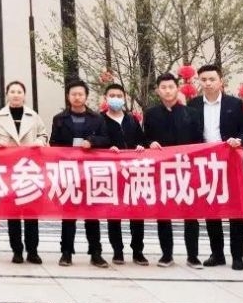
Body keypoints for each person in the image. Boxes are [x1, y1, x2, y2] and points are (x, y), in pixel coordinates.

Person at [187, 64, 243, 270]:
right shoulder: (193, 105)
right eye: (203, 80)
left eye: (212, 79)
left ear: (220, 81)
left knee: (235, 209)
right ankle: (217, 253)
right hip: (205, 163)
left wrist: (238, 140)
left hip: (230, 162)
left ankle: (237, 256)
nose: (208, 83)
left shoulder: (235, 104)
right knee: (211, 209)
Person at [144, 72, 205, 269]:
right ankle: (166, 254)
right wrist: (150, 143)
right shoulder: (151, 114)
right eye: (163, 87)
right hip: (162, 170)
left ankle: (193, 255)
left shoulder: (191, 113)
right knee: (163, 212)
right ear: (157, 91)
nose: (167, 91)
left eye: (171, 87)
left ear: (176, 88)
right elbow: (145, 139)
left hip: (187, 169)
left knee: (191, 212)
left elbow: (199, 142)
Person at [50, 79, 110, 268]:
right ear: (68, 97)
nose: (77, 97)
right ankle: (66, 252)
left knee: (92, 214)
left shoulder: (97, 118)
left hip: (91, 172)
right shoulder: (59, 119)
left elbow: (106, 139)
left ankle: (96, 252)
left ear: (86, 96)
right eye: (73, 94)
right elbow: (54, 144)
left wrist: (92, 141)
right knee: (68, 215)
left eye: (80, 94)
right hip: (68, 171)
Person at [0, 80, 48, 264]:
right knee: (13, 214)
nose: (15, 94)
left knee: (31, 213)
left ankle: (33, 251)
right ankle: (17, 250)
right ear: (7, 95)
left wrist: (40, 142)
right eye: (12, 91)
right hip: (9, 170)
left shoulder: (34, 116)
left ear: (24, 95)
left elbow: (43, 134)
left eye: (19, 91)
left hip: (29, 171)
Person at [101, 83, 149, 266]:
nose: (115, 98)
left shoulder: (131, 120)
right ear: (106, 99)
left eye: (119, 95)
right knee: (114, 213)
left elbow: (142, 140)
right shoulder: (100, 120)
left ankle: (138, 251)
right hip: (111, 174)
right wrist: (106, 148)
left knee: (137, 213)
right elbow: (97, 141)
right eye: (112, 95)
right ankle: (118, 251)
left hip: (133, 173)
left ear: (124, 98)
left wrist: (140, 146)